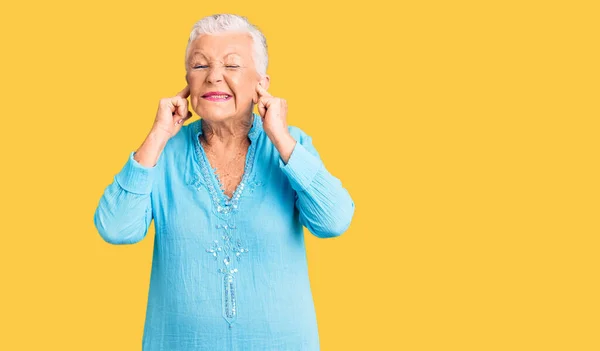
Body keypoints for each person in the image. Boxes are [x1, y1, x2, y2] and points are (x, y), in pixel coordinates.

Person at [93, 13, 355, 350]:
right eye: (200, 66)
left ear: (261, 82)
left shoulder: (291, 146)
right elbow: (116, 228)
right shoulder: (163, 153)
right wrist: (158, 135)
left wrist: (280, 136)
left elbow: (334, 221)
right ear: (188, 79)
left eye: (232, 66)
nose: (214, 77)